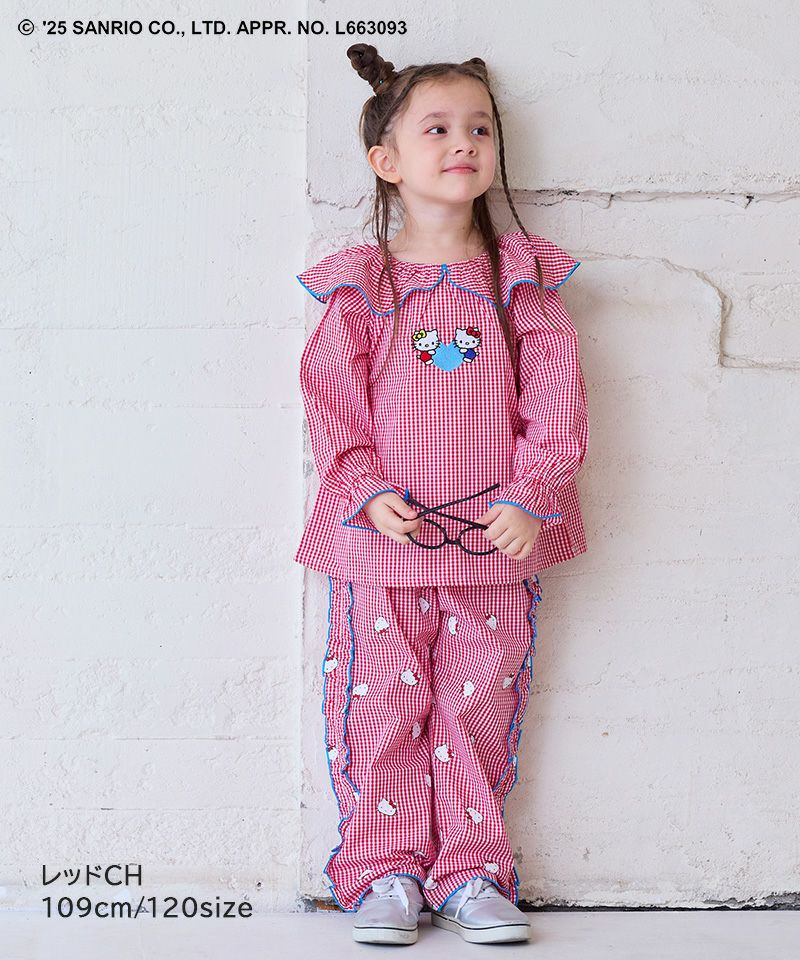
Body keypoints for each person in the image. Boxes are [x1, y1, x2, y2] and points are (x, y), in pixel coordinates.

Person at [293, 43, 589, 946]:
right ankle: (383, 872)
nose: (464, 143)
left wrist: (533, 492)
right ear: (385, 159)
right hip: (379, 544)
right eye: (438, 128)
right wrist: (363, 486)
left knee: (476, 707)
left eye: (480, 128)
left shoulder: (520, 280)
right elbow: (331, 401)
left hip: (495, 542)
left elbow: (557, 402)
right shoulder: (364, 284)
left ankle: (470, 872)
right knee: (381, 704)